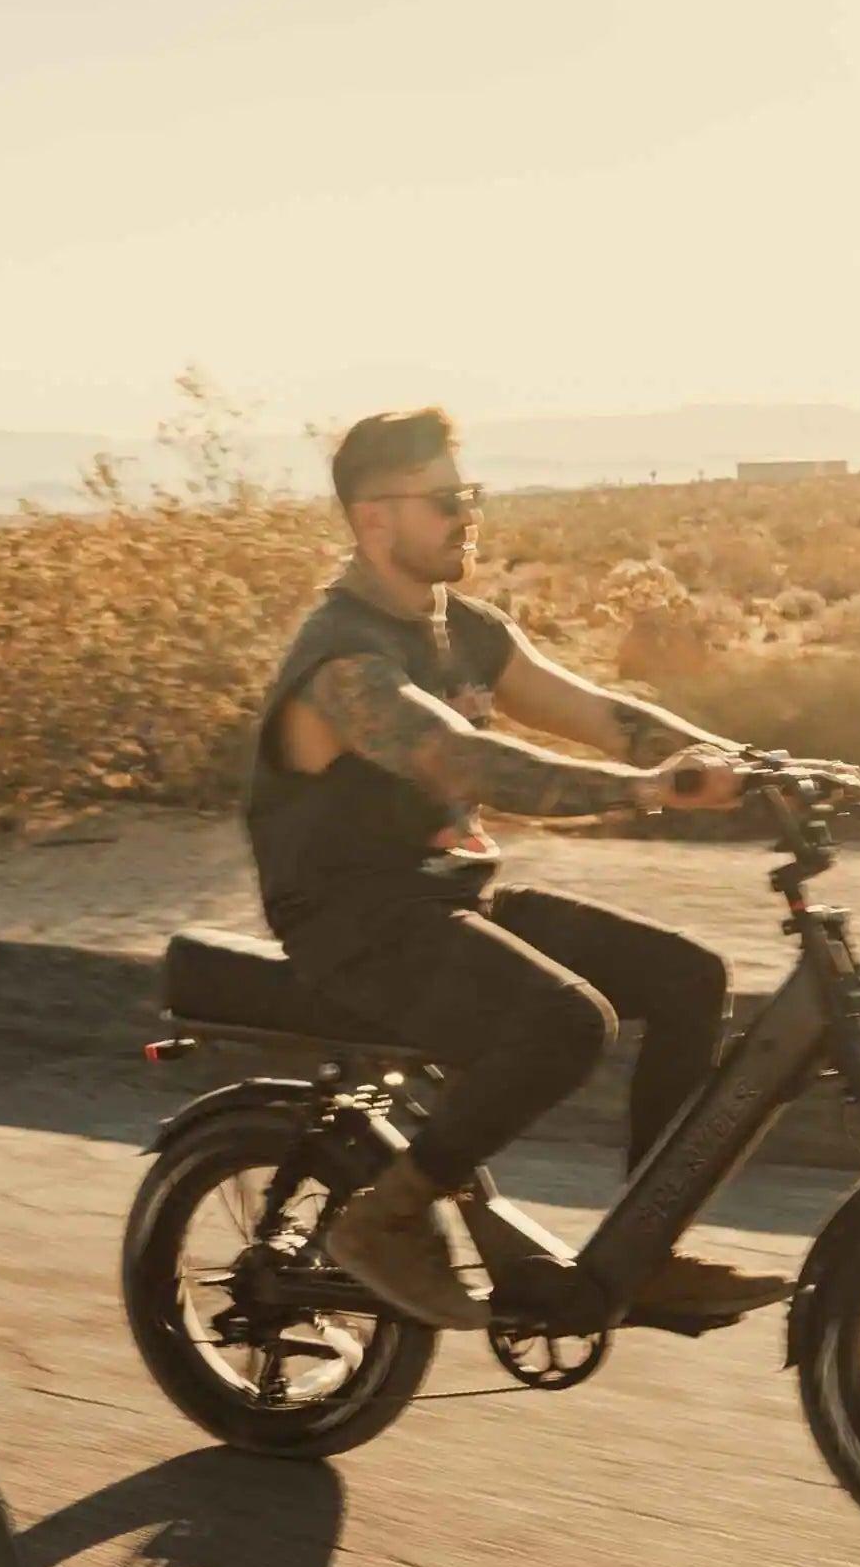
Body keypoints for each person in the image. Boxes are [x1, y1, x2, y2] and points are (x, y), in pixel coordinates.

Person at [248, 407, 792, 1330]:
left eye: (472, 495)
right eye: (447, 499)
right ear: (374, 518)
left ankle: (643, 1253)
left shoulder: (465, 628)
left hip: (447, 898)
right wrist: (652, 792)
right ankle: (386, 1217)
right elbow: (470, 764)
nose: (470, 516)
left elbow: (598, 710)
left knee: (689, 977)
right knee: (567, 1021)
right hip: (354, 925)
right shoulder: (344, 662)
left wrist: (758, 764)